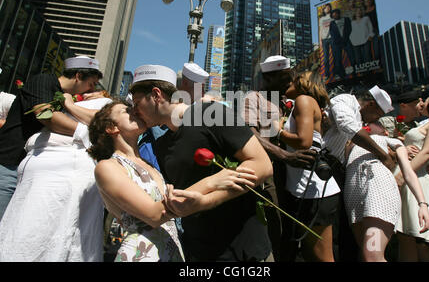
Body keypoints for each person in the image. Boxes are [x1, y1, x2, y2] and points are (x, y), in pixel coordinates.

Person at [130, 64, 274, 261]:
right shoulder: (161, 144)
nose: (135, 111)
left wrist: (206, 200)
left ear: (156, 95)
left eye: (137, 103)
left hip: (241, 248)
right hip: (197, 250)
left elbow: (262, 165)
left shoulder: (212, 114)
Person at [87, 100, 258, 262]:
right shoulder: (107, 167)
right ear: (111, 127)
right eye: (126, 110)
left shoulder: (150, 164)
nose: (135, 111)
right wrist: (211, 182)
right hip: (142, 254)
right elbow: (154, 215)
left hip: (173, 251)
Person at [0, 83, 111, 261]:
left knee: (56, 230)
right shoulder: (62, 100)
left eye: (92, 90)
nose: (88, 93)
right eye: (86, 91)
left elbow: (104, 122)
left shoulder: (107, 104)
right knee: (23, 228)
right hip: (35, 168)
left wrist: (69, 105)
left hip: (67, 171)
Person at [0, 55, 102, 221]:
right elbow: (46, 115)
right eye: (91, 84)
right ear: (78, 76)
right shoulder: (44, 81)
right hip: (7, 163)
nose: (90, 90)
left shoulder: (67, 97)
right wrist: (86, 134)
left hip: (28, 170)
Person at [240, 55, 317, 262]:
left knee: (289, 226)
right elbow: (250, 134)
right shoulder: (252, 99)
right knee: (274, 224)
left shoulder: (284, 102)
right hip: (267, 173)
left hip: (288, 174)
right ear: (269, 78)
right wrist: (284, 155)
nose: (288, 84)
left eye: (289, 79)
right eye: (284, 79)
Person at [322, 85, 396, 261]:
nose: (374, 120)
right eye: (377, 115)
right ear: (370, 104)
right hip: (323, 164)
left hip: (336, 168)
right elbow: (348, 126)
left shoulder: (359, 118)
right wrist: (382, 154)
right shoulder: (344, 101)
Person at [344, 120, 429, 262]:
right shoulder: (350, 143)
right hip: (353, 192)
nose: (367, 125)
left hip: (378, 189)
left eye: (372, 124)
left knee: (372, 256)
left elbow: (408, 172)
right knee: (365, 255)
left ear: (385, 131)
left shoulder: (391, 141)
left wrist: (422, 204)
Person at [278, 70, 341, 262]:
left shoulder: (303, 100)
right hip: (310, 191)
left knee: (322, 257)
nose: (289, 82)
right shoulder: (306, 102)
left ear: (304, 83)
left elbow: (303, 141)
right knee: (310, 255)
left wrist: (279, 131)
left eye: (295, 79)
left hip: (313, 194)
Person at [394, 92, 429, 261]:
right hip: (413, 175)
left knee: (409, 235)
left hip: (415, 179)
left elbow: (427, 152)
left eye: (425, 100)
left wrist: (403, 176)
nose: (421, 102)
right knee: (409, 239)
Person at [329, 8, 355, 80]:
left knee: (352, 56)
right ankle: (341, 75)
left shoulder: (346, 19)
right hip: (337, 43)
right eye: (333, 15)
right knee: (338, 59)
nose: (335, 16)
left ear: (338, 13)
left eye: (336, 14)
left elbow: (349, 29)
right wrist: (338, 41)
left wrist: (344, 38)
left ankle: (355, 71)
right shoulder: (332, 23)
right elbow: (332, 33)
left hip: (346, 40)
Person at [319, 3, 333, 79]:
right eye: (326, 8)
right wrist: (320, 40)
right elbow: (320, 30)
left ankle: (336, 73)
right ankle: (327, 74)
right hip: (324, 39)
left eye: (328, 7)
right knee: (326, 58)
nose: (327, 9)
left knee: (335, 56)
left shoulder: (333, 17)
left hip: (332, 38)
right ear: (324, 10)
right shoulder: (321, 19)